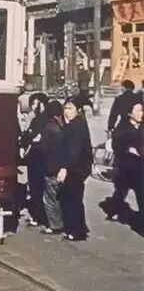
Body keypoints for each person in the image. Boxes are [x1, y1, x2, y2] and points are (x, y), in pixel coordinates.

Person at [101, 97, 143, 226]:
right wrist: (128, 149)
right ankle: (112, 211)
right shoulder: (123, 127)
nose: (141, 113)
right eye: (138, 110)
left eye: (142, 110)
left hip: (140, 167)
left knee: (141, 193)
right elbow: (116, 144)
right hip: (126, 167)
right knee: (121, 191)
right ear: (130, 113)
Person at [57, 96, 93, 241]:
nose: (67, 112)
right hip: (76, 167)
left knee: (73, 199)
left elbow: (74, 151)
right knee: (71, 198)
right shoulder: (75, 124)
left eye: (70, 108)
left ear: (77, 110)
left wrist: (64, 168)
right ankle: (74, 228)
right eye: (65, 108)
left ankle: (77, 231)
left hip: (76, 168)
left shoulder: (76, 126)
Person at [20, 92, 50, 227]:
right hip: (42, 159)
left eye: (36, 104)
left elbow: (27, 136)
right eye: (32, 104)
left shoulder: (38, 120)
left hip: (38, 158)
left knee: (36, 188)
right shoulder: (46, 118)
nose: (33, 107)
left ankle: (39, 216)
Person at [41, 100, 65, 234]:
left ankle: (55, 224)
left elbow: (44, 147)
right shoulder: (64, 125)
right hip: (63, 166)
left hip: (50, 166)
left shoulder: (49, 127)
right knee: (61, 196)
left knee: (50, 197)